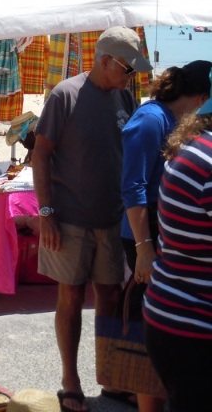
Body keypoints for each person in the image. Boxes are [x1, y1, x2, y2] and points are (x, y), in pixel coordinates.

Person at [32, 26, 151, 412]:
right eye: (128, 69)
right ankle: (71, 381)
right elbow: (40, 154)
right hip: (69, 219)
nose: (132, 77)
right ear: (106, 61)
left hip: (111, 218)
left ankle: (111, 377)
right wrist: (46, 213)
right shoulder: (65, 95)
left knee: (110, 294)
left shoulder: (125, 98)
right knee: (70, 294)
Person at [121, 59, 211, 412]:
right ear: (202, 96)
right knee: (150, 328)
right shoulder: (151, 118)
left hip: (167, 231)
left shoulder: (173, 123)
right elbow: (133, 185)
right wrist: (144, 247)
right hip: (143, 233)